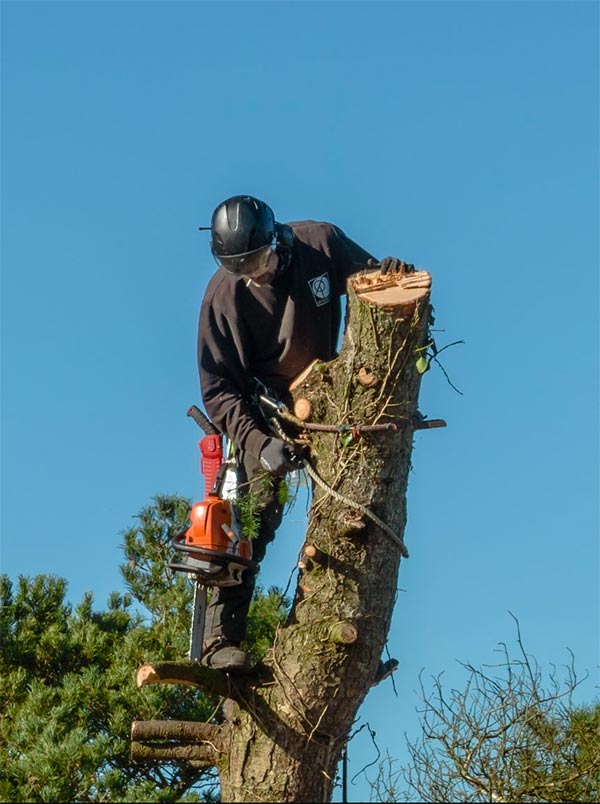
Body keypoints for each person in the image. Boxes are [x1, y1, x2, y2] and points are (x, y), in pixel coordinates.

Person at [197, 194, 413, 672]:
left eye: (256, 260)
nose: (252, 273)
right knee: (247, 522)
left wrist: (390, 276)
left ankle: (346, 643)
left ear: (275, 239)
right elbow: (218, 390)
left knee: (354, 514)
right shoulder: (224, 296)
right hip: (262, 412)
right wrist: (259, 443)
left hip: (331, 397)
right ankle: (219, 643)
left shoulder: (321, 243)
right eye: (239, 266)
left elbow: (371, 283)